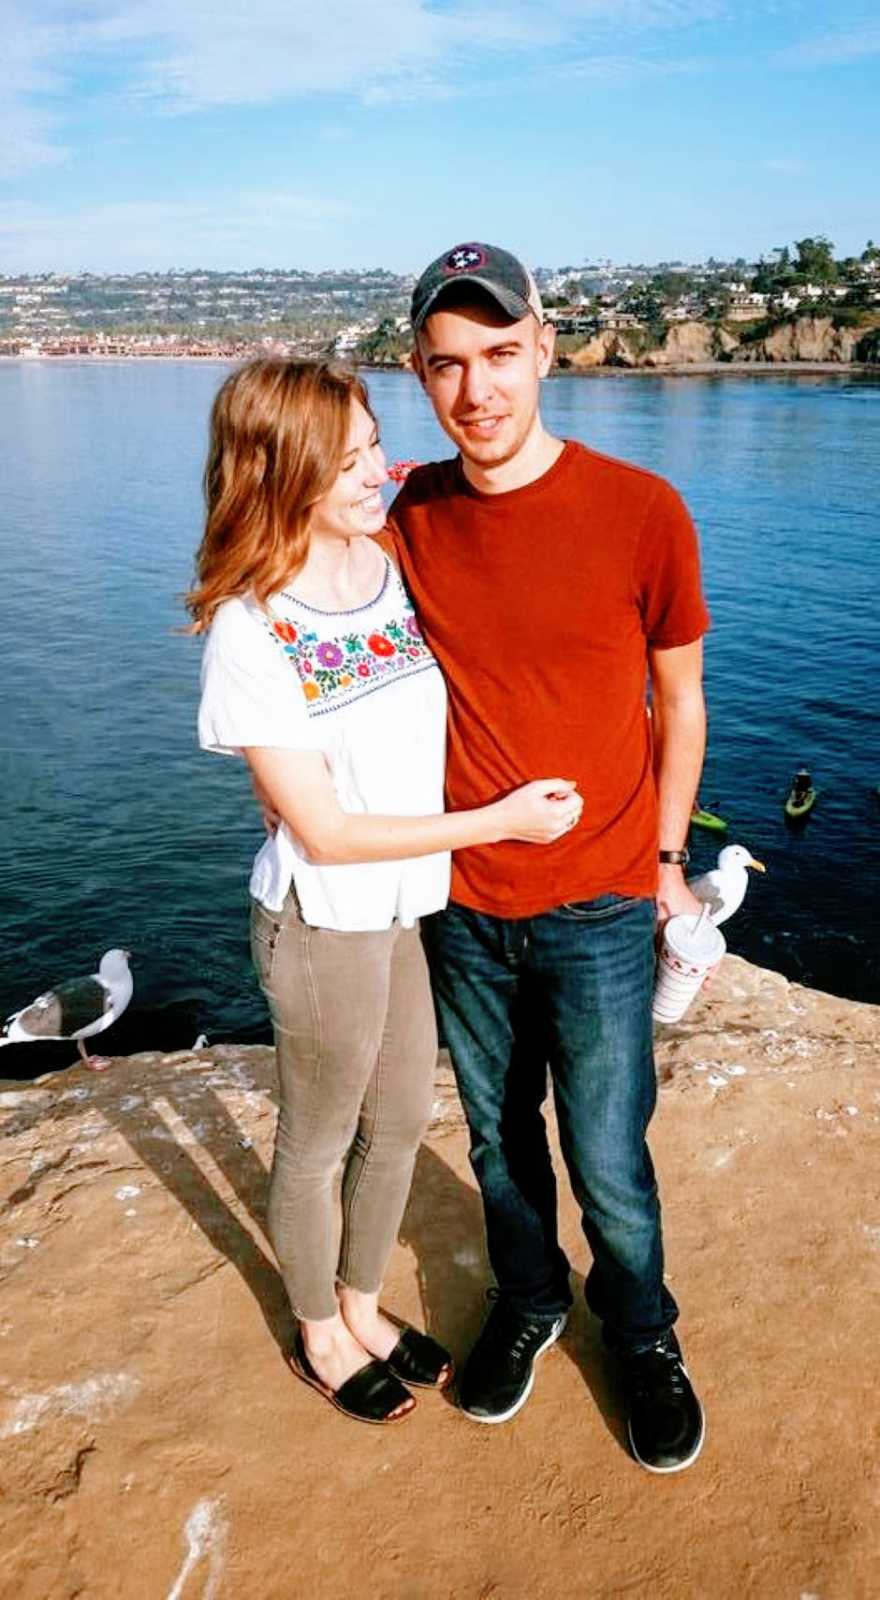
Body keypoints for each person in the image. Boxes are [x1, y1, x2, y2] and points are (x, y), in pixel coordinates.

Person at [189, 358, 582, 1426]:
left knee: (403, 1116)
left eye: (374, 446)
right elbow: (320, 828)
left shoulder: (386, 557)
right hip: (322, 923)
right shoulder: (251, 627)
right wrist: (496, 825)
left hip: (405, 908)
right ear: (285, 477)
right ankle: (317, 1328)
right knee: (319, 1136)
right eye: (353, 459)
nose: (380, 470)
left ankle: (362, 1302)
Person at [383, 242, 711, 1471]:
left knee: (608, 1147)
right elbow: (290, 550)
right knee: (493, 1135)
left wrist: (668, 860)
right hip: (461, 896)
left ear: (547, 343)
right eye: (449, 365)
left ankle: (642, 1331)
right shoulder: (407, 509)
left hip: (601, 901)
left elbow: (680, 703)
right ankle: (529, 1298)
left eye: (501, 354)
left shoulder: (641, 511)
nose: (479, 389)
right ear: (419, 374)